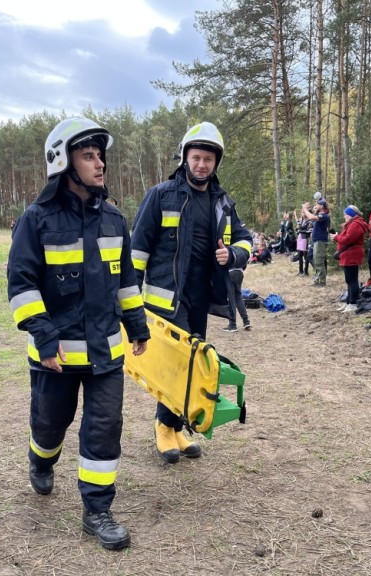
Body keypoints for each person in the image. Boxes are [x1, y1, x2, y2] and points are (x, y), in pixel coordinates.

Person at [7, 117, 150, 551]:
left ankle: (97, 511)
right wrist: (45, 340)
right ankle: (41, 458)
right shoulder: (36, 221)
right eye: (88, 155)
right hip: (57, 355)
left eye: (100, 155)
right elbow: (22, 285)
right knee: (50, 423)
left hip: (106, 353)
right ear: (62, 163)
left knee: (104, 427)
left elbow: (126, 280)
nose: (99, 163)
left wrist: (137, 325)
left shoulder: (114, 219)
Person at [130, 121, 252, 464]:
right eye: (196, 157)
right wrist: (129, 302)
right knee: (175, 363)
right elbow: (137, 250)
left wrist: (235, 254)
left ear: (216, 163)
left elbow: (245, 239)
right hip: (165, 297)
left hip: (203, 296)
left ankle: (176, 426)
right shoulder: (161, 195)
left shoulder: (223, 202)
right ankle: (164, 427)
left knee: (193, 362)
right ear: (185, 158)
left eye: (208, 160)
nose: (201, 165)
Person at [331, 205, 368, 313]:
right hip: (348, 254)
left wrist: (336, 237)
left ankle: (353, 303)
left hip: (352, 254)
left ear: (351, 215)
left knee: (352, 280)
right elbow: (345, 238)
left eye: (346, 214)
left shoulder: (356, 224)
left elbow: (348, 239)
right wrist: (337, 237)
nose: (344, 216)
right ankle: (348, 301)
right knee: (349, 280)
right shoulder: (351, 224)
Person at [301, 198, 330, 286]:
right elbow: (308, 218)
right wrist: (306, 210)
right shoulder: (319, 215)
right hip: (316, 241)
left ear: (321, 206)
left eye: (317, 205)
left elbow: (311, 217)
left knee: (319, 261)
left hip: (320, 241)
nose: (315, 206)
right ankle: (317, 280)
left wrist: (305, 208)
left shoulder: (324, 216)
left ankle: (322, 281)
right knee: (316, 260)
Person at [224, 262, 251, 332]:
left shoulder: (228, 250)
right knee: (238, 297)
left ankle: (232, 325)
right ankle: (246, 321)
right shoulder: (241, 250)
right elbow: (245, 264)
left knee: (231, 299)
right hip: (240, 273)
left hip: (230, 273)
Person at [295, 207, 312, 276]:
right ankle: (300, 270)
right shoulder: (301, 220)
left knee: (305, 256)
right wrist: (298, 228)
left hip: (305, 238)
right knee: (299, 255)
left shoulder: (309, 221)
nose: (302, 213)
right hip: (300, 238)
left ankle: (306, 271)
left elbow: (308, 231)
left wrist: (300, 231)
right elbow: (297, 228)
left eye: (303, 212)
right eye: (302, 212)